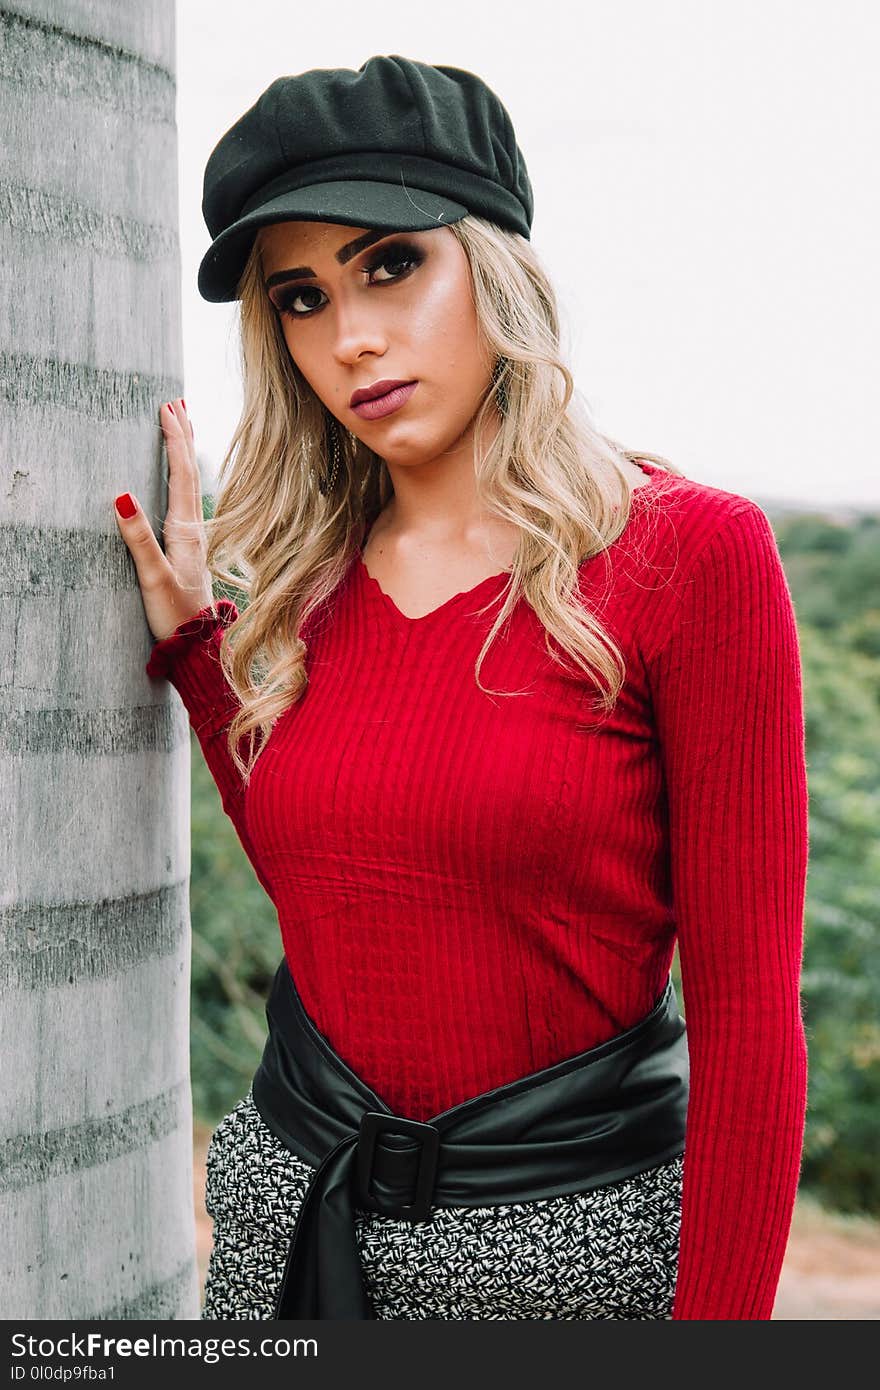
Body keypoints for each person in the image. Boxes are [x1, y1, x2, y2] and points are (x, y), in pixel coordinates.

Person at [113, 56, 809, 1321]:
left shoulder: (689, 555)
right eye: (301, 297)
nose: (352, 335)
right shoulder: (314, 576)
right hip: (291, 1215)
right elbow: (337, 890)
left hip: (571, 1253)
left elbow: (752, 1025)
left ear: (492, 266)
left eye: (389, 264)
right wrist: (205, 666)